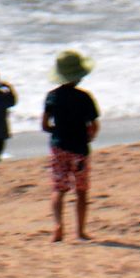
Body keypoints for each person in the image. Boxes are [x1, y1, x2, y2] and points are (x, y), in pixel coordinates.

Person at [43, 52, 99, 242]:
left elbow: (44, 125)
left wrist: (56, 130)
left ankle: (58, 226)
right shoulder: (84, 98)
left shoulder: (52, 97)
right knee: (81, 190)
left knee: (58, 189)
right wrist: (88, 137)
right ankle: (80, 231)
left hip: (58, 147)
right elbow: (94, 126)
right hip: (79, 149)